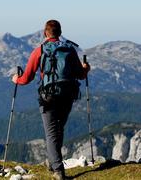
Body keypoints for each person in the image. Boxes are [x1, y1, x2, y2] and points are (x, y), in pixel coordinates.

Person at [12, 20, 90, 180]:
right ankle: (53, 162)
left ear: (45, 33)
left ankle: (58, 171)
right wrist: (86, 68)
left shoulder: (39, 51)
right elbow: (80, 74)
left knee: (51, 132)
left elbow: (27, 77)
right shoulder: (69, 49)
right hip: (68, 95)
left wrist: (16, 79)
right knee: (58, 129)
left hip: (48, 97)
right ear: (60, 33)